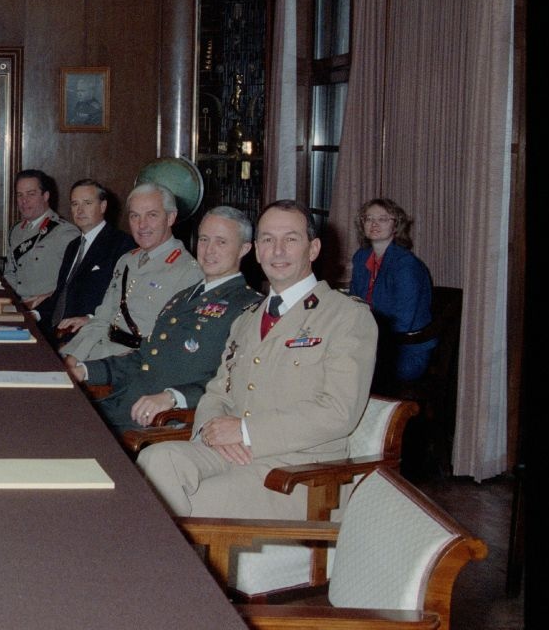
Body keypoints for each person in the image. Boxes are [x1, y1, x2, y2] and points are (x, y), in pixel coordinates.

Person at [137, 201, 378, 519]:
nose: (277, 251)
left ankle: (169, 564)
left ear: (313, 249)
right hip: (230, 452)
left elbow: (338, 412)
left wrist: (246, 431)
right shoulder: (248, 319)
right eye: (267, 239)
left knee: (174, 506)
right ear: (257, 250)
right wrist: (213, 431)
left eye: (290, 239)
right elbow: (217, 392)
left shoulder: (346, 316)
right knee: (154, 461)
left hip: (298, 472)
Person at [69, 207, 263, 433]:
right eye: (204, 239)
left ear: (244, 249)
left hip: (161, 420)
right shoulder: (182, 298)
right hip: (120, 405)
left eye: (221, 242)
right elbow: (144, 358)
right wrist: (84, 370)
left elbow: (234, 384)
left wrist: (173, 397)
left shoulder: (248, 307)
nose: (209, 250)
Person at [59, 182, 202, 363]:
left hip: (136, 365)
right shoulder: (127, 261)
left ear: (170, 218)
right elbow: (102, 319)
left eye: (152, 215)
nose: (142, 225)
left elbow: (177, 345)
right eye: (135, 216)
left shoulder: (187, 271)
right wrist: (72, 357)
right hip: (101, 353)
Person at [33, 179, 134, 344]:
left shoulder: (121, 245)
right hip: (56, 332)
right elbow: (61, 295)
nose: (79, 210)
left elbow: (127, 299)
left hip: (89, 335)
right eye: (74, 204)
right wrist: (33, 314)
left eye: (87, 203)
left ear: (103, 206)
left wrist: (90, 319)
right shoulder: (73, 246)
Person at [350, 197, 436, 385]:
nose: (374, 224)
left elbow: (402, 322)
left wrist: (363, 342)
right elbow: (354, 304)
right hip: (371, 344)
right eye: (369, 218)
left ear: (396, 226)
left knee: (341, 371)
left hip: (403, 351)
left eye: (382, 219)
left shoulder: (406, 265)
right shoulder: (361, 257)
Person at [2, 169, 81, 300]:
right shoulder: (16, 231)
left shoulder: (65, 233)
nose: (24, 201)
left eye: (31, 194)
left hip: (45, 312)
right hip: (15, 306)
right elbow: (10, 274)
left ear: (45, 196)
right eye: (19, 195)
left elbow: (76, 283)